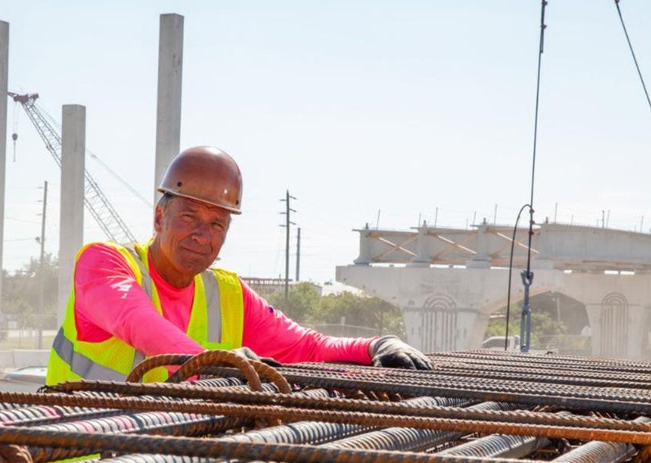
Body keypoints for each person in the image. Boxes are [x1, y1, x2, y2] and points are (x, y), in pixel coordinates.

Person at [45, 145, 433, 385]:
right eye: (188, 217)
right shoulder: (104, 263)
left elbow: (304, 346)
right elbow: (138, 323)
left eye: (217, 223)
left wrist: (376, 345)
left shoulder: (228, 294)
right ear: (159, 219)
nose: (202, 234)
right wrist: (215, 364)